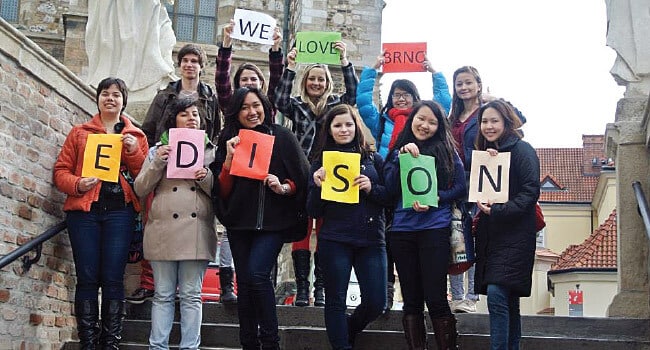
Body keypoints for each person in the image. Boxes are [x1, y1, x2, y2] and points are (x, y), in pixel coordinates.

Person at [53, 77, 148, 349]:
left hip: (120, 212)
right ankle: (88, 341)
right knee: (87, 276)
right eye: (105, 93)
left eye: (116, 95)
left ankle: (111, 343)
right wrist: (78, 184)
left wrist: (133, 153)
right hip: (85, 212)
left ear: (123, 101)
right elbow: (61, 172)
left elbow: (145, 178)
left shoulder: (136, 135)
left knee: (112, 277)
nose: (110, 98)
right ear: (97, 99)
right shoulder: (80, 133)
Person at [211, 87, 310, 350]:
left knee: (257, 275)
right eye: (244, 107)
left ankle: (270, 342)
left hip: (273, 223)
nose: (252, 112)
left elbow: (301, 178)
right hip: (240, 222)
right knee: (244, 283)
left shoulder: (283, 136)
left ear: (265, 106)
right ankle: (249, 343)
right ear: (236, 112)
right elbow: (222, 190)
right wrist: (229, 160)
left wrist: (284, 186)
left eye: (256, 105)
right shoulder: (229, 139)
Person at [356, 54, 451, 312]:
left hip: (417, 189)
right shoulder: (381, 121)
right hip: (390, 184)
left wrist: (436, 73)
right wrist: (371, 71)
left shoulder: (425, 121)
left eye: (406, 94)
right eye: (397, 94)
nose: (401, 98)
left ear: (415, 98)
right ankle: (386, 294)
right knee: (385, 240)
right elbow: (363, 103)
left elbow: (442, 104)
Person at [128, 43, 221, 304]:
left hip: (196, 168)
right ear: (179, 65)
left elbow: (214, 130)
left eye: (195, 61)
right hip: (165, 165)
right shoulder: (165, 95)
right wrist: (156, 157)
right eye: (185, 61)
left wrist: (207, 157)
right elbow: (148, 129)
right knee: (156, 223)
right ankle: (148, 282)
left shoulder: (209, 97)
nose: (190, 65)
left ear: (202, 66)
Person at [274, 42, 358, 307]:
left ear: (327, 82)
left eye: (321, 79)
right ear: (305, 81)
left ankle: (320, 289)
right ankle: (301, 289)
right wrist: (289, 67)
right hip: (300, 171)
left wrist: (345, 61)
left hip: (330, 170)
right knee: (302, 230)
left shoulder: (334, 105)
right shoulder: (296, 105)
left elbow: (352, 95)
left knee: (323, 229)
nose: (317, 83)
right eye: (312, 78)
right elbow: (278, 100)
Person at [134, 97, 217, 349]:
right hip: (163, 230)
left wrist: (206, 176)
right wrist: (158, 161)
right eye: (185, 114)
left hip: (196, 230)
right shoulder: (155, 150)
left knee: (192, 295)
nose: (192, 118)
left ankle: (189, 347)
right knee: (163, 294)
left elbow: (222, 193)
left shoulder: (211, 150)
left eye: (196, 114)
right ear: (173, 120)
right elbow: (140, 188)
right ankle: (157, 346)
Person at [383, 101, 466, 350]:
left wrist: (437, 198)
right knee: (411, 301)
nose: (425, 125)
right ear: (412, 120)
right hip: (402, 232)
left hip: (434, 230)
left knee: (436, 298)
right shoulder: (397, 150)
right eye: (421, 119)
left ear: (439, 127)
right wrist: (400, 159)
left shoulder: (448, 152)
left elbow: (461, 187)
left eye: (432, 122)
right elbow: (388, 189)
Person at [212, 20, 284, 303]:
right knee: (233, 233)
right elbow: (221, 81)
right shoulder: (233, 109)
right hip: (240, 181)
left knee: (264, 247)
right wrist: (226, 46)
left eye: (255, 80)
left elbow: (278, 81)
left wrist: (276, 50)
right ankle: (227, 284)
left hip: (266, 182)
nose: (250, 84)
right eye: (244, 80)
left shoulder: (268, 109)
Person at [307, 104, 389, 349]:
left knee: (377, 301)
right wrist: (318, 188)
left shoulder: (374, 159)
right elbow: (312, 211)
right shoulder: (320, 162)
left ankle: (347, 332)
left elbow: (391, 198)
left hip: (371, 238)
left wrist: (372, 189)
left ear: (357, 126)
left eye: (348, 124)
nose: (344, 130)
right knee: (335, 301)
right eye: (337, 125)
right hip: (335, 238)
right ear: (329, 130)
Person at [447, 66, 526, 314]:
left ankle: (471, 296)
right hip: (456, 179)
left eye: (468, 83)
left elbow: (518, 119)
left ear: (479, 85)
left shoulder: (487, 111)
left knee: (476, 235)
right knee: (456, 237)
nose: (464, 88)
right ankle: (457, 295)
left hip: (482, 177)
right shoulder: (452, 117)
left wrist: (498, 101)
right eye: (459, 83)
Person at [473, 99, 540, 350]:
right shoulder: (484, 153)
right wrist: (491, 160)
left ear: (506, 122)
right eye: (484, 121)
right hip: (492, 235)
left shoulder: (523, 150)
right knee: (508, 299)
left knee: (497, 294)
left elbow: (530, 191)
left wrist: (499, 210)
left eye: (494, 121)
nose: (488, 126)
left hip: (516, 234)